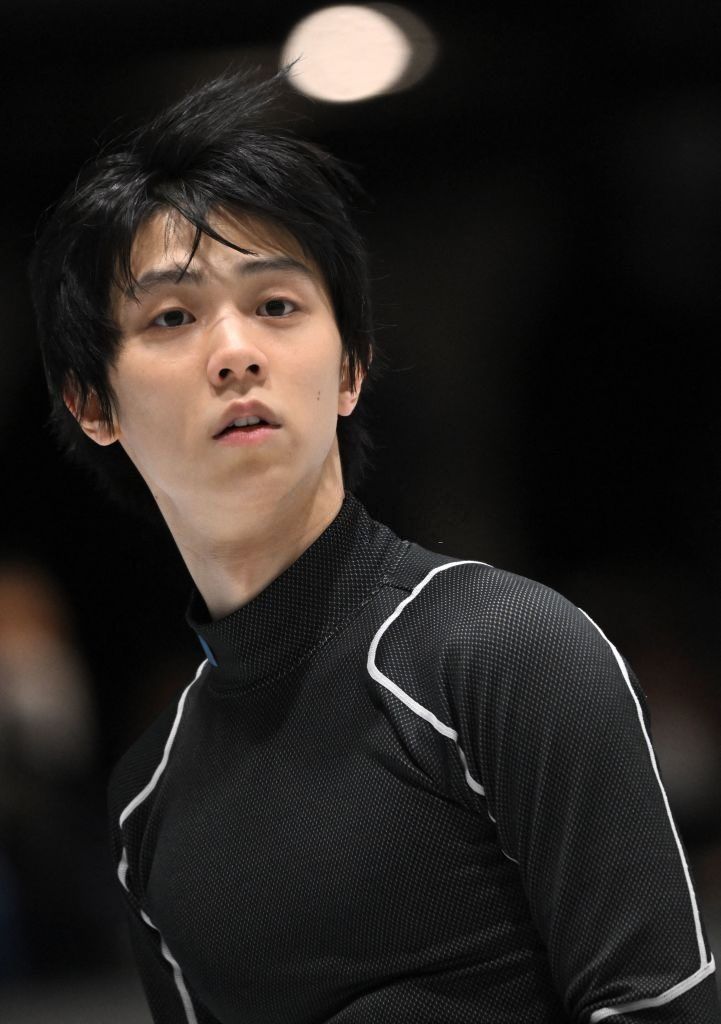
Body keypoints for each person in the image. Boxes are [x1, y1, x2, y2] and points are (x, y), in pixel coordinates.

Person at [29, 70, 720, 1024]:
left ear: (350, 368)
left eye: (276, 306)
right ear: (92, 404)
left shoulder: (504, 652)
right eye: (173, 317)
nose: (235, 351)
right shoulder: (146, 799)